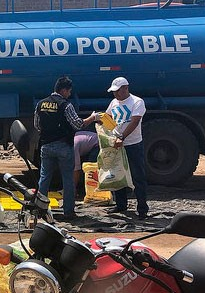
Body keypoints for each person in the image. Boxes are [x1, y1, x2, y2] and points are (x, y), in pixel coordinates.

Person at [35, 76, 99, 220]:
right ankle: (68, 211)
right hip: (64, 146)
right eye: (69, 91)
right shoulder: (66, 105)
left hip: (46, 146)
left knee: (44, 178)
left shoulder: (41, 104)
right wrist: (92, 118)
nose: (69, 94)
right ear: (63, 90)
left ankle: (40, 210)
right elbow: (78, 125)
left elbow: (37, 125)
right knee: (68, 179)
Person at [104, 76, 149, 219]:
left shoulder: (137, 102)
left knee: (138, 176)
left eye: (118, 91)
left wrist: (122, 137)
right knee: (118, 175)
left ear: (125, 88)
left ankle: (142, 208)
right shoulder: (114, 102)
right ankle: (121, 204)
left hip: (133, 144)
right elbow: (108, 117)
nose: (116, 94)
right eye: (114, 92)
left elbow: (135, 122)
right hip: (117, 145)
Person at [73, 131, 99, 198]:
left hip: (97, 144)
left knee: (91, 169)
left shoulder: (74, 146)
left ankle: (93, 193)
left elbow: (76, 170)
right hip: (87, 144)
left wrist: (73, 189)